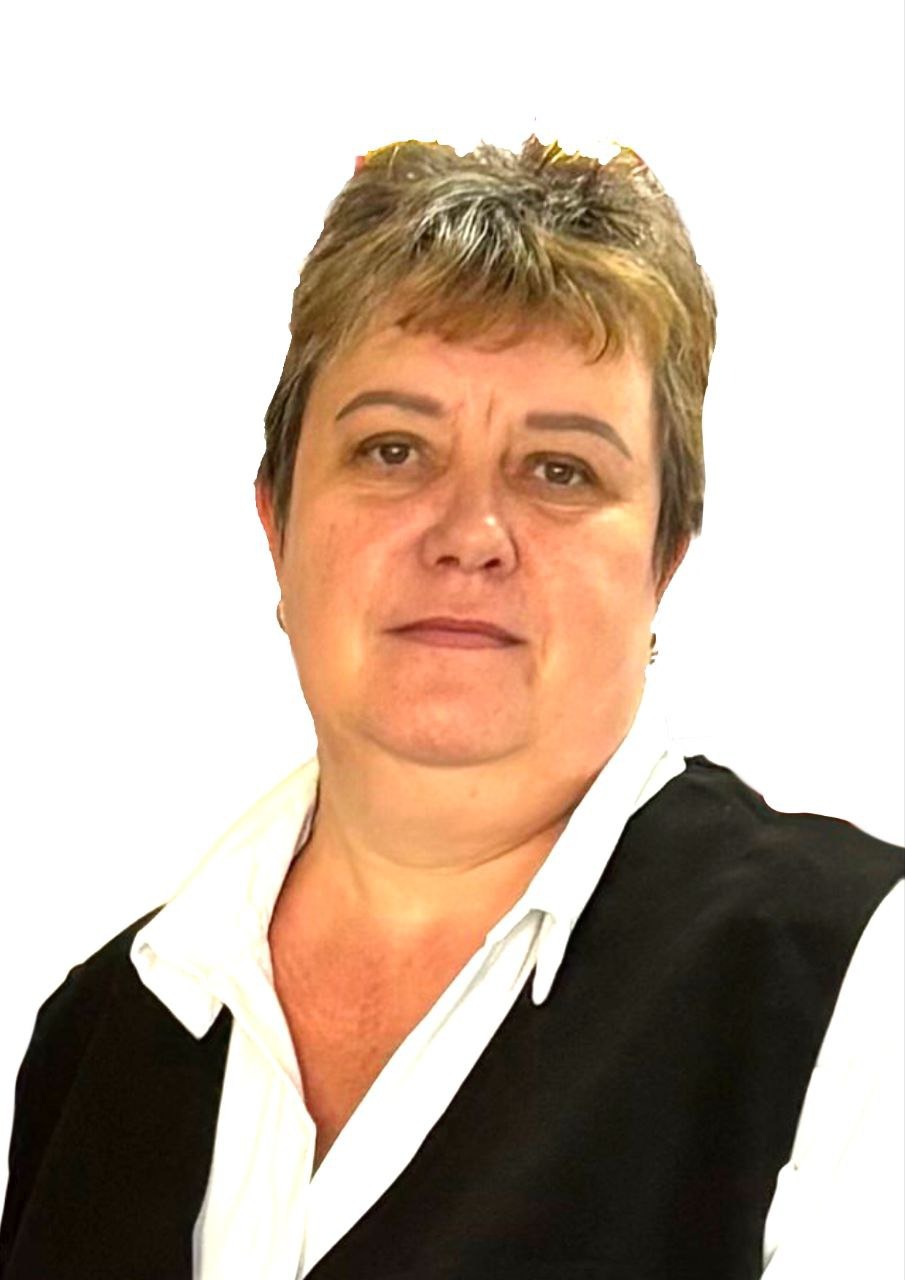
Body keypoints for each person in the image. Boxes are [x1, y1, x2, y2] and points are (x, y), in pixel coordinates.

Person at [0, 135, 901, 1280]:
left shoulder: (856, 983)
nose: (469, 534)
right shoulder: (99, 1037)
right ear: (278, 524)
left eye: (560, 469)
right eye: (393, 450)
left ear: (663, 558)